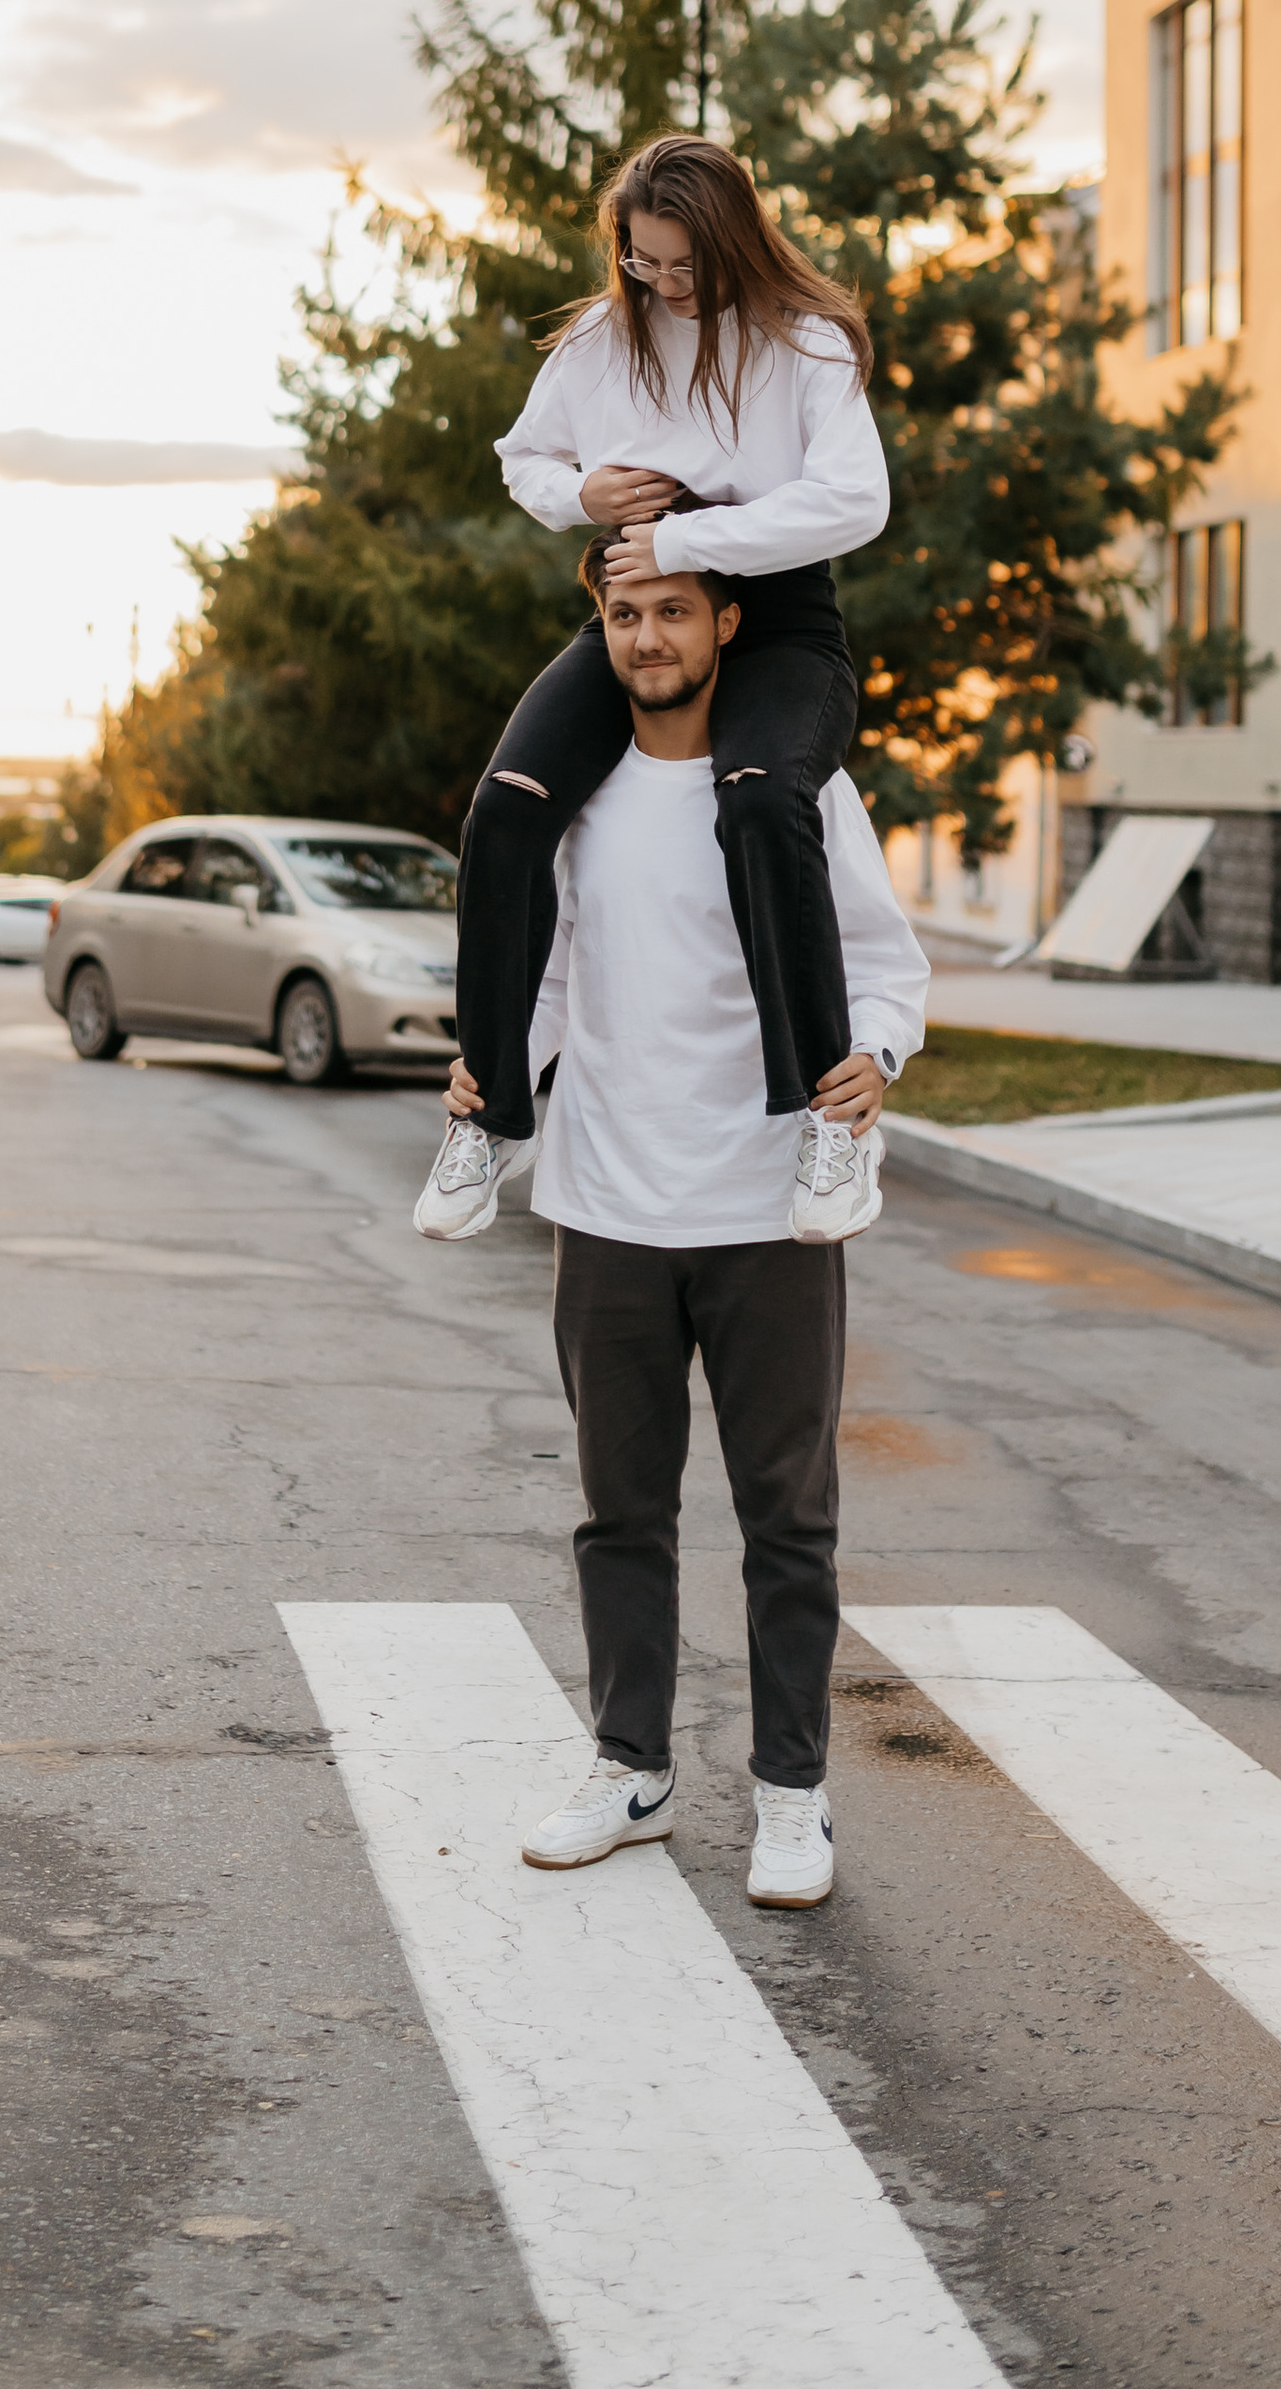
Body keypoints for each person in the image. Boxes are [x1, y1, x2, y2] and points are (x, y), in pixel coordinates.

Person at [421, 544, 926, 1908]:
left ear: (726, 622)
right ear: (606, 632)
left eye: (673, 612)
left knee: (788, 1520)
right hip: (608, 1209)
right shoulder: (577, 801)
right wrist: (493, 1065)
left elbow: (885, 963)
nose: (649, 637)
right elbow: (549, 975)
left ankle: (789, 1796)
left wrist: (875, 1055)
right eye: (626, 615)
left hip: (772, 1208)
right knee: (620, 1514)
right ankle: (629, 1769)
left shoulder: (796, 783)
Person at [444, 135, 888, 1231]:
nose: (664, 284)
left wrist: (701, 534)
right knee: (506, 811)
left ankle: (824, 1126)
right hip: (640, 606)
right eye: (643, 262)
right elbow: (523, 459)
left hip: (777, 618)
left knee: (762, 800)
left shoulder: (806, 342)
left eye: (683, 265)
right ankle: (491, 1115)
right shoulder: (605, 335)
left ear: (734, 240)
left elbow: (854, 501)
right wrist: (583, 491)